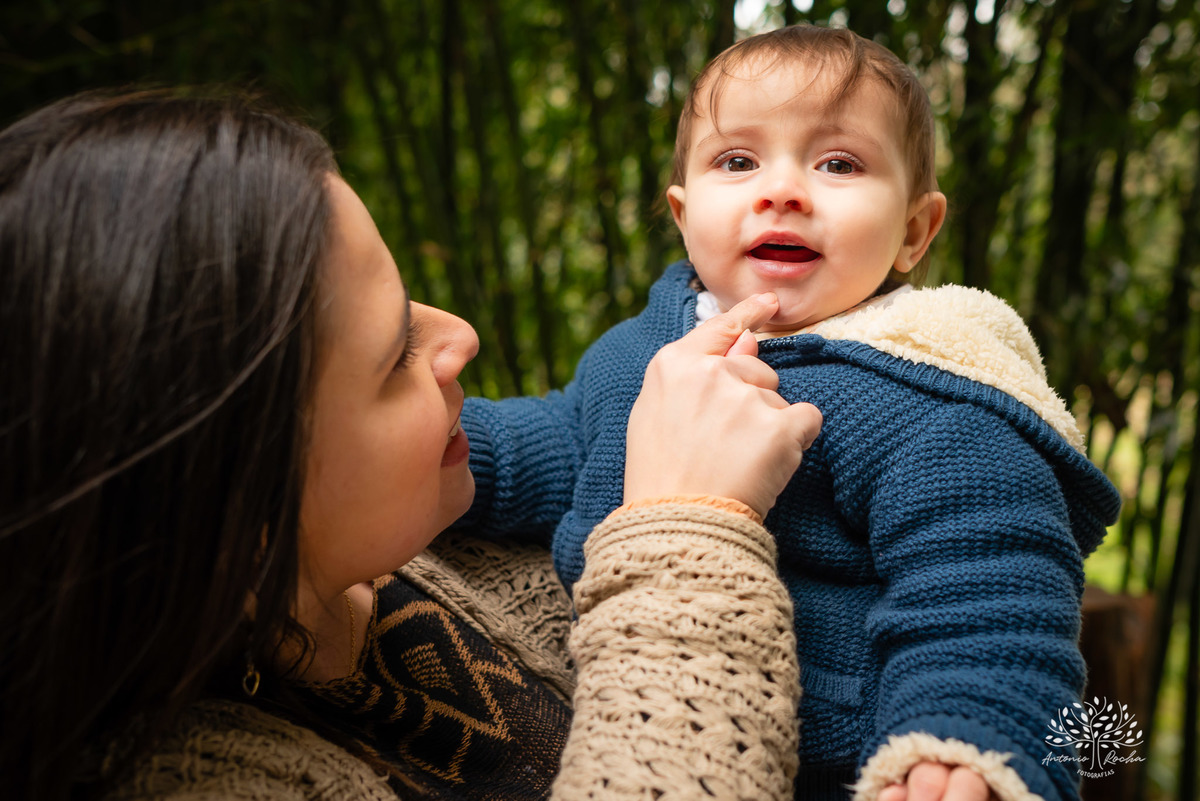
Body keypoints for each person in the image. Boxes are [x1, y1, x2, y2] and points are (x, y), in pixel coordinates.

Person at [0, 89, 824, 801]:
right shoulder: (196, 777)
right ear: (225, 504)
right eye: (395, 351)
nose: (459, 335)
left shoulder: (417, 548)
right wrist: (685, 529)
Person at [455, 24, 1123, 801]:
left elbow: (989, 596)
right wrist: (454, 444)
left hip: (839, 760)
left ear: (914, 230)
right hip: (617, 711)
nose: (782, 190)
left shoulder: (930, 400)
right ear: (682, 212)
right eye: (737, 161)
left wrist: (965, 736)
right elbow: (563, 440)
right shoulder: (638, 348)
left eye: (838, 163)